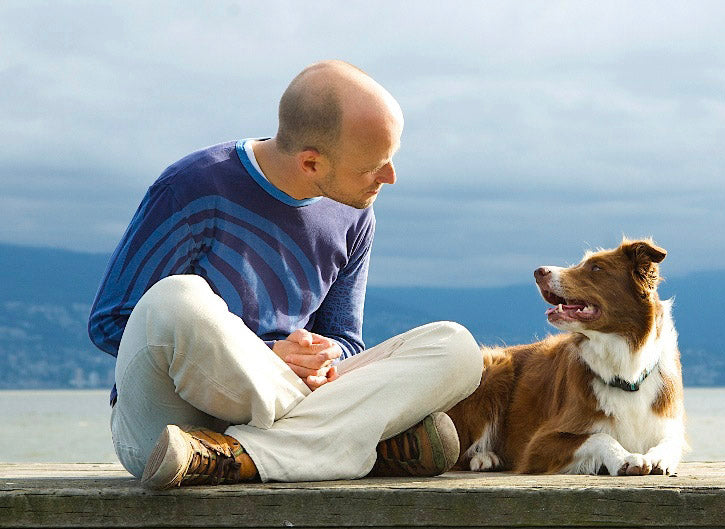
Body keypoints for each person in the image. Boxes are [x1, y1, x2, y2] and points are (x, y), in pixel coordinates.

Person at [88, 60, 483, 489]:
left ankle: (241, 457)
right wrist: (267, 354)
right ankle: (352, 438)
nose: (390, 178)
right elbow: (114, 322)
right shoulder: (192, 187)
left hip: (233, 434)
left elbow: (346, 341)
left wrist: (322, 357)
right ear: (311, 163)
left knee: (456, 348)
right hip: (171, 426)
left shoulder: (354, 213)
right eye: (372, 166)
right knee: (179, 297)